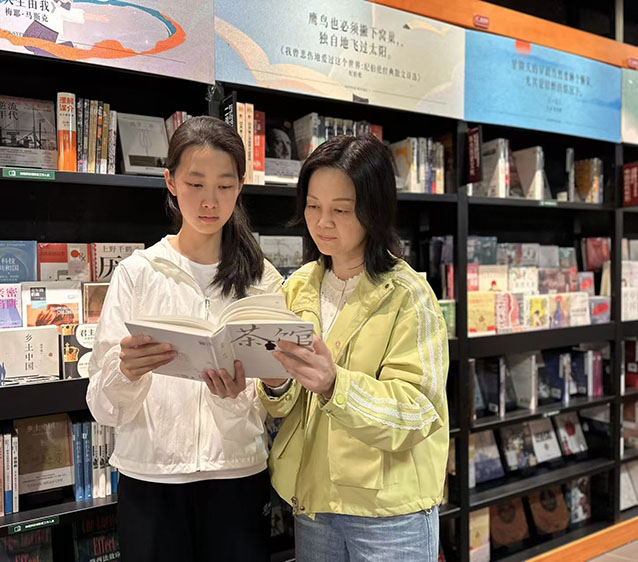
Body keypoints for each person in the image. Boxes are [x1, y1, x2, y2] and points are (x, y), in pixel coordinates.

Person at [86, 116, 283, 562]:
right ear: (170, 182)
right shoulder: (138, 273)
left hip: (237, 477)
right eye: (195, 184)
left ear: (240, 187)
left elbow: (272, 399)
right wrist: (125, 372)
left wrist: (234, 398)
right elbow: (101, 405)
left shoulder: (263, 279)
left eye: (225, 186)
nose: (210, 201)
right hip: (151, 480)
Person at [258, 134, 449, 561]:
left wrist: (334, 385)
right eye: (313, 206)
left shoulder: (409, 295)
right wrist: (274, 382)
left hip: (389, 512)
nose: (323, 222)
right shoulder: (297, 287)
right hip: (313, 501)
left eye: (341, 210)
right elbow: (286, 405)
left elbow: (418, 411)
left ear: (373, 210)